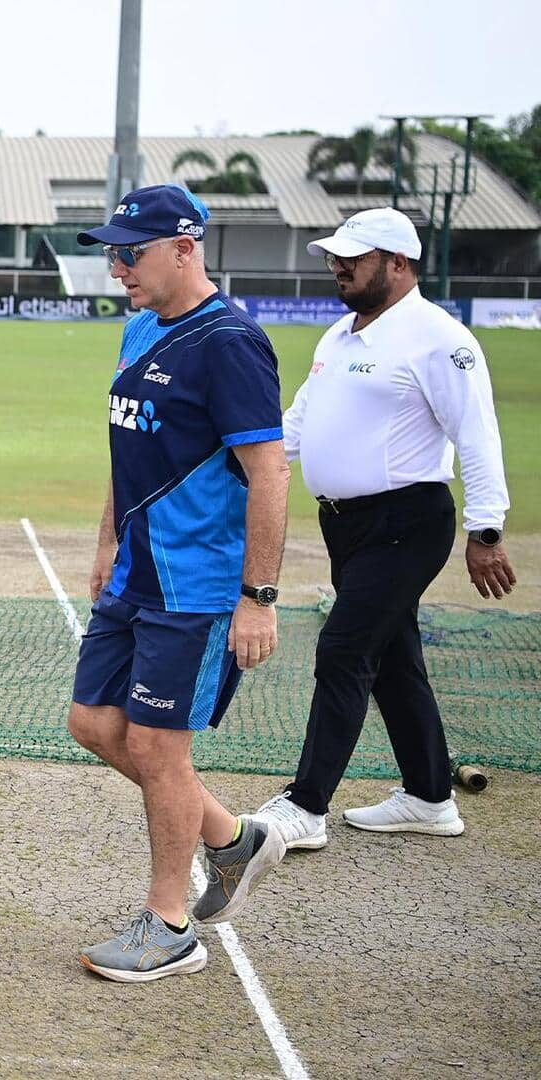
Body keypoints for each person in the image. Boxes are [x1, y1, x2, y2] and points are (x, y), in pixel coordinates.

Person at [66, 185, 290, 982]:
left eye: (132, 252)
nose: (117, 267)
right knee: (93, 724)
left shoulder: (229, 343)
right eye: (112, 253)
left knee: (160, 748)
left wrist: (257, 598)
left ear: (184, 249)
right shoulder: (136, 327)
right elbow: (130, 453)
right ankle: (233, 838)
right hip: (135, 572)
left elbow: (269, 474)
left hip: (195, 587)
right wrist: (104, 542)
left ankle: (171, 925)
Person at [252, 208, 515, 848]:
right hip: (347, 528)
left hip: (408, 522)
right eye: (335, 256)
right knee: (395, 659)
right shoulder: (339, 335)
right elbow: (300, 424)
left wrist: (485, 532)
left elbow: (477, 436)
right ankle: (429, 797)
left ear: (397, 263)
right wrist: (240, 467)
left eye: (353, 257)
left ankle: (306, 806)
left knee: (343, 649)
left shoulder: (439, 338)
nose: (337, 266)